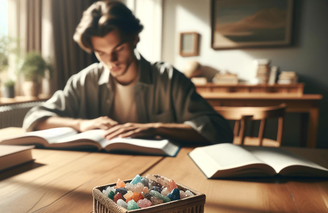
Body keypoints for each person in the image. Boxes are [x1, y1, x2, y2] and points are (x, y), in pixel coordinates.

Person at [22, 1, 233, 144]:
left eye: (118, 49)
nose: (111, 61)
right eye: (101, 53)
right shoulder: (85, 80)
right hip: (98, 174)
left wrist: (154, 128)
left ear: (134, 39)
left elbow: (219, 130)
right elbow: (35, 118)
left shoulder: (168, 78)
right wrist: (80, 124)